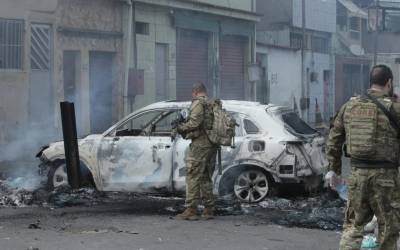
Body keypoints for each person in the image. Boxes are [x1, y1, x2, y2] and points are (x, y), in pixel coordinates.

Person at [326, 64, 400, 250]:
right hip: (386, 179)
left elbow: (333, 141)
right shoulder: (395, 108)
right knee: (388, 227)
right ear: (389, 82)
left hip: (357, 176)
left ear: (371, 82)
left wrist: (333, 170)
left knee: (353, 225)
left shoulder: (349, 106)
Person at [175, 82, 218, 220]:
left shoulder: (198, 103)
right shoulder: (212, 103)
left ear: (195, 92)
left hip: (200, 144)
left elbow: (194, 123)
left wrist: (181, 127)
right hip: (212, 144)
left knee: (192, 175)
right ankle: (208, 209)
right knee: (205, 176)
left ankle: (191, 210)